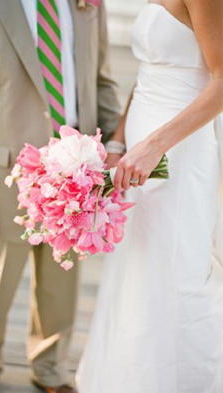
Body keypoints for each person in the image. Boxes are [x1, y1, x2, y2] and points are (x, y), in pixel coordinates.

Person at [0, 0, 121, 392]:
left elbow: (101, 80)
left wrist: (111, 153)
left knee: (62, 281)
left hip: (79, 169)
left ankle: (50, 369)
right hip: (5, 173)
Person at [76, 1, 223, 392]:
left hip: (179, 148)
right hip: (138, 146)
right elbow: (146, 75)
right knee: (136, 269)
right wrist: (120, 141)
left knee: (175, 271)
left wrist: (155, 144)